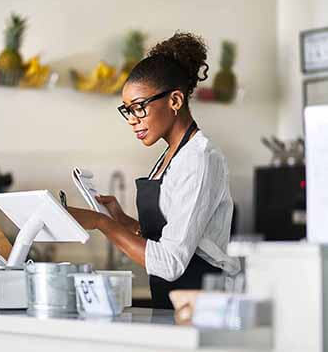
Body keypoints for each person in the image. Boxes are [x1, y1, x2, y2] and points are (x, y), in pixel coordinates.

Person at [68, 32, 241, 309]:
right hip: (172, 305)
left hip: (202, 305)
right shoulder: (169, 156)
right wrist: (124, 222)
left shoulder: (200, 158)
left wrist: (102, 223)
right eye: (127, 111)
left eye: (139, 108)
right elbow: (170, 238)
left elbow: (171, 262)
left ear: (175, 100)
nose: (132, 121)